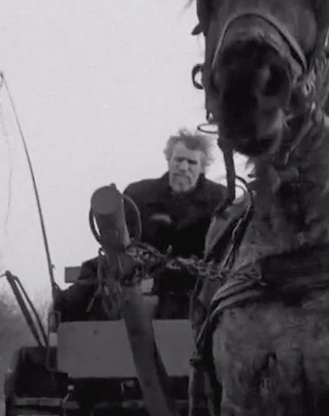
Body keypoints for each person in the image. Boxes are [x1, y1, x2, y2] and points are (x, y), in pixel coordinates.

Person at [55, 128, 230, 321]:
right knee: (90, 277)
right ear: (169, 160)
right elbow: (123, 242)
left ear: (203, 167)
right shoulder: (140, 193)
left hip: (191, 277)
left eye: (191, 162)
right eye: (178, 160)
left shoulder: (220, 199)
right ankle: (60, 314)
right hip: (140, 267)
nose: (183, 167)